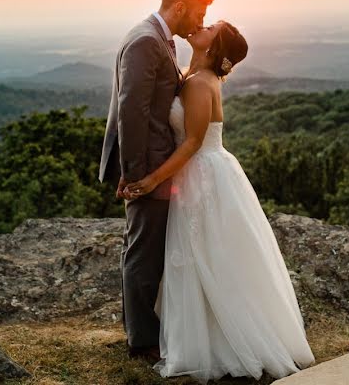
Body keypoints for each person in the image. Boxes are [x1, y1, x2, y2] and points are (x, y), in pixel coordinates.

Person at [123, 21, 315, 382]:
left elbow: (192, 142)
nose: (202, 25)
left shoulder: (198, 82)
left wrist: (150, 179)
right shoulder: (191, 74)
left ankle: (221, 339)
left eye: (211, 27)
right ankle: (203, 332)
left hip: (202, 174)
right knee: (205, 255)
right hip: (201, 172)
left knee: (207, 254)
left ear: (215, 47)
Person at [99, 0, 215, 362]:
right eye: (198, 13)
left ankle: (142, 328)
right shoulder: (147, 41)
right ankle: (143, 342)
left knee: (146, 246)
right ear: (179, 7)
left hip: (154, 163)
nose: (200, 22)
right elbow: (131, 111)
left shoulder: (156, 37)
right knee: (144, 252)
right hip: (148, 165)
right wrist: (135, 175)